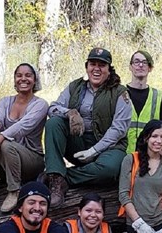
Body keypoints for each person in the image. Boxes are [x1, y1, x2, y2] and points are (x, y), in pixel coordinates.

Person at [43, 48, 131, 207]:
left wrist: (94, 151)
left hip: (108, 148)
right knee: (53, 123)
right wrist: (69, 112)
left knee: (112, 168)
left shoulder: (120, 92)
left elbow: (119, 129)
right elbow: (52, 108)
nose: (96, 69)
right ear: (87, 67)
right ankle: (55, 177)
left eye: (102, 65)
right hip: (78, 143)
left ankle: (64, 178)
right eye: (93, 64)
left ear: (109, 70)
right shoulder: (75, 86)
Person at [0, 64, 48, 217]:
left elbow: (23, 126)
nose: (23, 79)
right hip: (6, 163)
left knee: (6, 144)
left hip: (31, 161)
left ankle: (14, 190)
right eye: (19, 75)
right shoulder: (5, 101)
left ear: (35, 80)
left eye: (28, 75)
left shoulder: (40, 104)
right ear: (14, 79)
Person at [125, 50, 162, 154]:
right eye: (136, 62)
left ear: (150, 68)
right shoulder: (119, 93)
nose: (140, 65)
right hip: (123, 154)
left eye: (144, 62)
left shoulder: (159, 96)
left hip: (149, 156)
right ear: (130, 67)